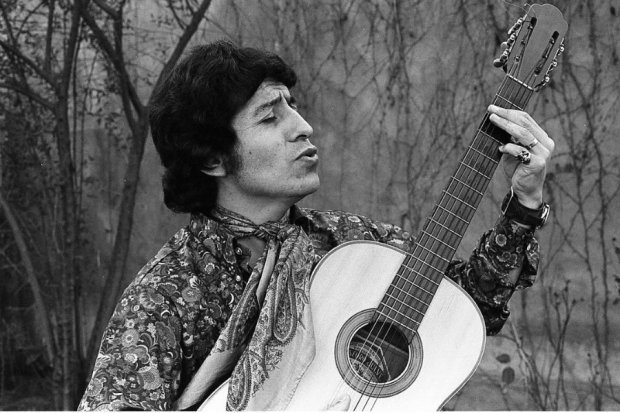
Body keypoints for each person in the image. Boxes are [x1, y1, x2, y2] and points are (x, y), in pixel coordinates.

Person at [78, 40, 553, 411]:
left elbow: (466, 312)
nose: (302, 125)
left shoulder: (353, 246)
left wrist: (525, 204)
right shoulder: (167, 294)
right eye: (270, 116)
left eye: (293, 106)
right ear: (211, 159)